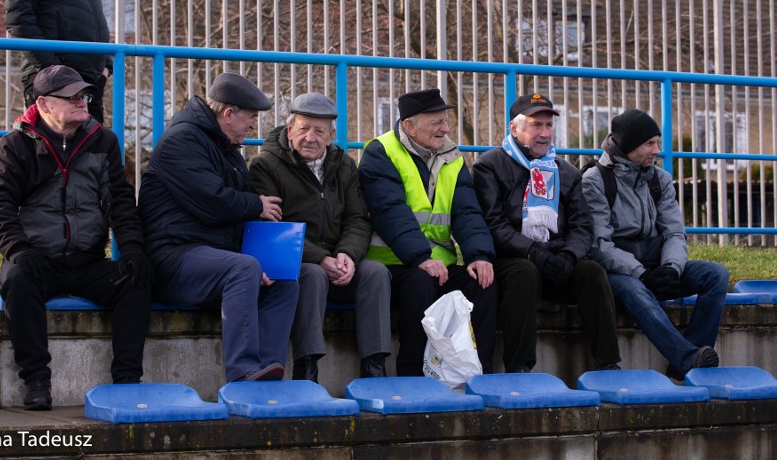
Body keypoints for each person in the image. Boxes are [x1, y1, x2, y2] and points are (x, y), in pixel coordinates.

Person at [0, 65, 153, 411]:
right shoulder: (17, 145)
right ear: (44, 104)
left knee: (136, 279)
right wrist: (19, 251)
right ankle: (36, 380)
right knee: (17, 282)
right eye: (71, 97)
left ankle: (127, 380)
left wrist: (133, 248)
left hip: (87, 260)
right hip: (37, 260)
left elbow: (119, 200)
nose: (82, 101)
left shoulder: (103, 140)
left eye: (84, 95)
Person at [138, 72, 299, 383]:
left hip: (213, 260)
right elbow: (211, 202)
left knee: (283, 281)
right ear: (228, 114)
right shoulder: (181, 141)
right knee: (243, 269)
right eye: (251, 117)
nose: (254, 126)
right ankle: (242, 372)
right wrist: (257, 205)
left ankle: (269, 372)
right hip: (173, 259)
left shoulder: (227, 149)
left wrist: (257, 265)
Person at [473, 93, 621, 373]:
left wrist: (568, 254)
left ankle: (607, 362)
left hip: (555, 256)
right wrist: (532, 251)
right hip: (512, 259)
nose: (544, 133)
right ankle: (519, 366)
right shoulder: (489, 166)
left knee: (591, 271)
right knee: (524, 272)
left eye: (548, 126)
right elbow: (494, 225)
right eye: (535, 125)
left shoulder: (565, 171)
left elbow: (582, 226)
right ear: (514, 129)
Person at [249, 93, 392, 382]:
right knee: (312, 275)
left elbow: (357, 219)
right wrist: (322, 258)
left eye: (319, 131)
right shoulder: (265, 165)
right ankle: (307, 367)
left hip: (337, 258)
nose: (310, 138)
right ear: (289, 131)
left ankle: (374, 367)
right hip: (298, 260)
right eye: (303, 129)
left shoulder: (345, 165)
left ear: (331, 136)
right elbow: (276, 229)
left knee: (375, 272)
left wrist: (348, 255)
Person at [358, 88, 496, 377]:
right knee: (420, 282)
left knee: (482, 282)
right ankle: (411, 374)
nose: (445, 128)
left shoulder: (452, 156)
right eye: (436, 122)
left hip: (436, 262)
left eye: (445, 121)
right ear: (410, 125)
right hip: (393, 262)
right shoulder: (381, 152)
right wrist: (420, 256)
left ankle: (480, 372)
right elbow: (390, 211)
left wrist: (478, 255)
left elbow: (467, 212)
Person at [582, 108, 729, 380]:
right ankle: (686, 358)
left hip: (656, 263)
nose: (657, 150)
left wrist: (671, 269)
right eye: (649, 143)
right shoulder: (595, 181)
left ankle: (692, 353)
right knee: (637, 289)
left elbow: (674, 232)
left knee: (716, 275)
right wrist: (642, 274)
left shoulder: (659, 179)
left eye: (657, 142)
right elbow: (599, 245)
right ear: (628, 144)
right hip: (619, 272)